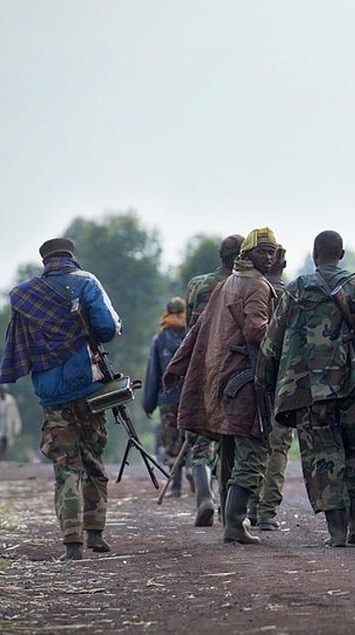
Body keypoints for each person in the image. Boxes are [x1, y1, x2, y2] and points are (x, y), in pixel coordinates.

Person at [258, 230, 355, 547]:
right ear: (341, 254)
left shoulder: (296, 291)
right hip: (352, 385)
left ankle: (336, 530)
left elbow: (272, 343)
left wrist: (264, 382)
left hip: (308, 390)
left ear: (315, 255)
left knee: (322, 455)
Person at [0, 238, 123, 560]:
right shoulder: (86, 282)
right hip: (89, 389)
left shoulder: (25, 296)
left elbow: (20, 344)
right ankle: (95, 532)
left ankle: (72, 543)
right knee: (93, 460)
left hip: (52, 396)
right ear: (70, 257)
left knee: (66, 467)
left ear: (45, 262)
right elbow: (108, 328)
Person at [165, 227, 279, 545]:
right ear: (246, 255)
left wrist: (176, 365)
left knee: (229, 451)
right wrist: (283, 341)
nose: (268, 257)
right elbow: (257, 332)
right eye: (262, 251)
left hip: (221, 382)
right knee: (254, 451)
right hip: (246, 382)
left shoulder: (229, 282)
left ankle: (232, 523)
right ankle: (234, 523)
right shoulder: (257, 285)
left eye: (272, 252)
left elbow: (197, 329)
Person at [181, 233, 243, 527]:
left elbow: (189, 329)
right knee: (230, 439)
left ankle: (204, 497)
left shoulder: (196, 284)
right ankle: (229, 509)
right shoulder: (245, 285)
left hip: (200, 367)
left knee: (199, 440)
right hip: (233, 370)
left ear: (220, 255)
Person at [253, 244, 294, 531]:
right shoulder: (292, 294)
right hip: (283, 382)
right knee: (278, 445)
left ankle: (250, 505)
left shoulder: (246, 289)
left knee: (252, 443)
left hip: (250, 379)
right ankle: (267, 511)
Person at [142, 297, 187, 498]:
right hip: (190, 398)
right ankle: (198, 478)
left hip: (168, 399)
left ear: (167, 312)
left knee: (171, 443)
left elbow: (153, 374)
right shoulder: (191, 334)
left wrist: (148, 404)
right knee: (191, 438)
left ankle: (176, 485)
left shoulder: (160, 339)